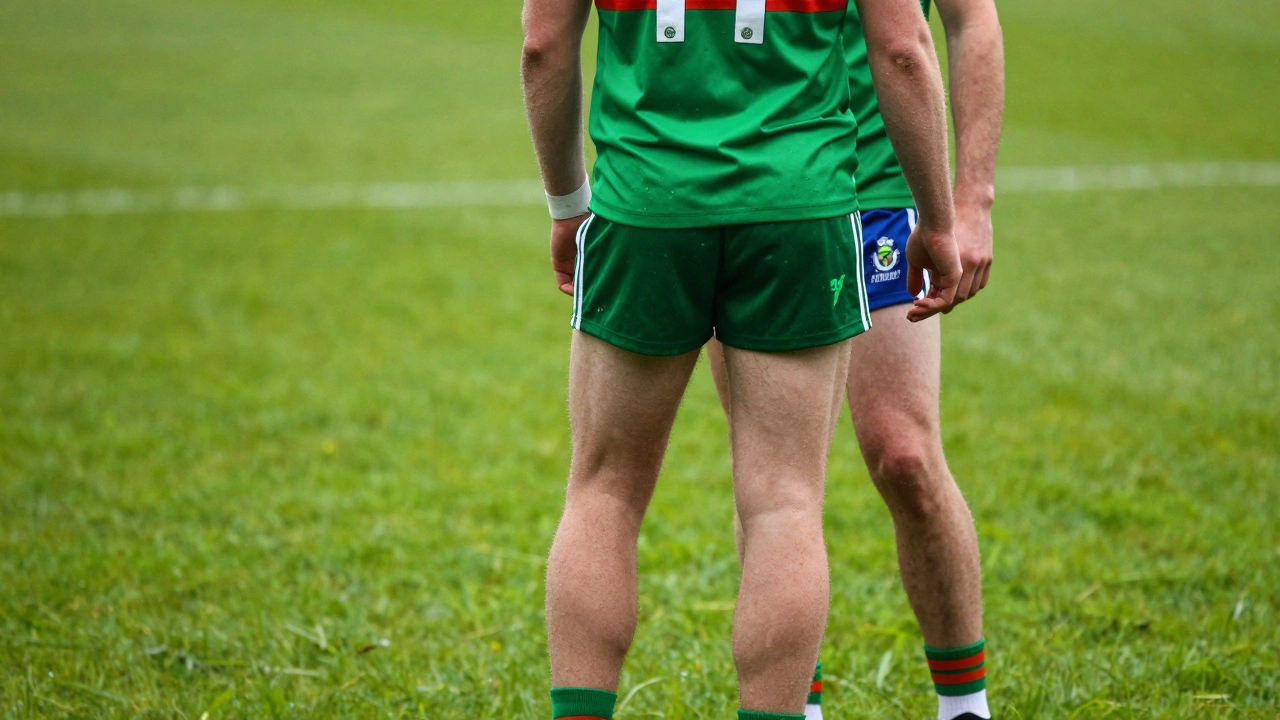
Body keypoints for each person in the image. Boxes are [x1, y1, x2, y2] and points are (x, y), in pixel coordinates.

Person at [520, 0, 960, 717]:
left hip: (645, 205)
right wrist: (938, 220)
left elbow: (543, 43)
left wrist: (568, 203)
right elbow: (904, 48)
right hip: (798, 207)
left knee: (605, 492)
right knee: (784, 505)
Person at [706, 2, 1005, 719]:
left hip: (883, 189)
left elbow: (972, 21)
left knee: (904, 453)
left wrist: (972, 197)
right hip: (765, 188)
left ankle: (965, 705)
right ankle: (794, 707)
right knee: (772, 476)